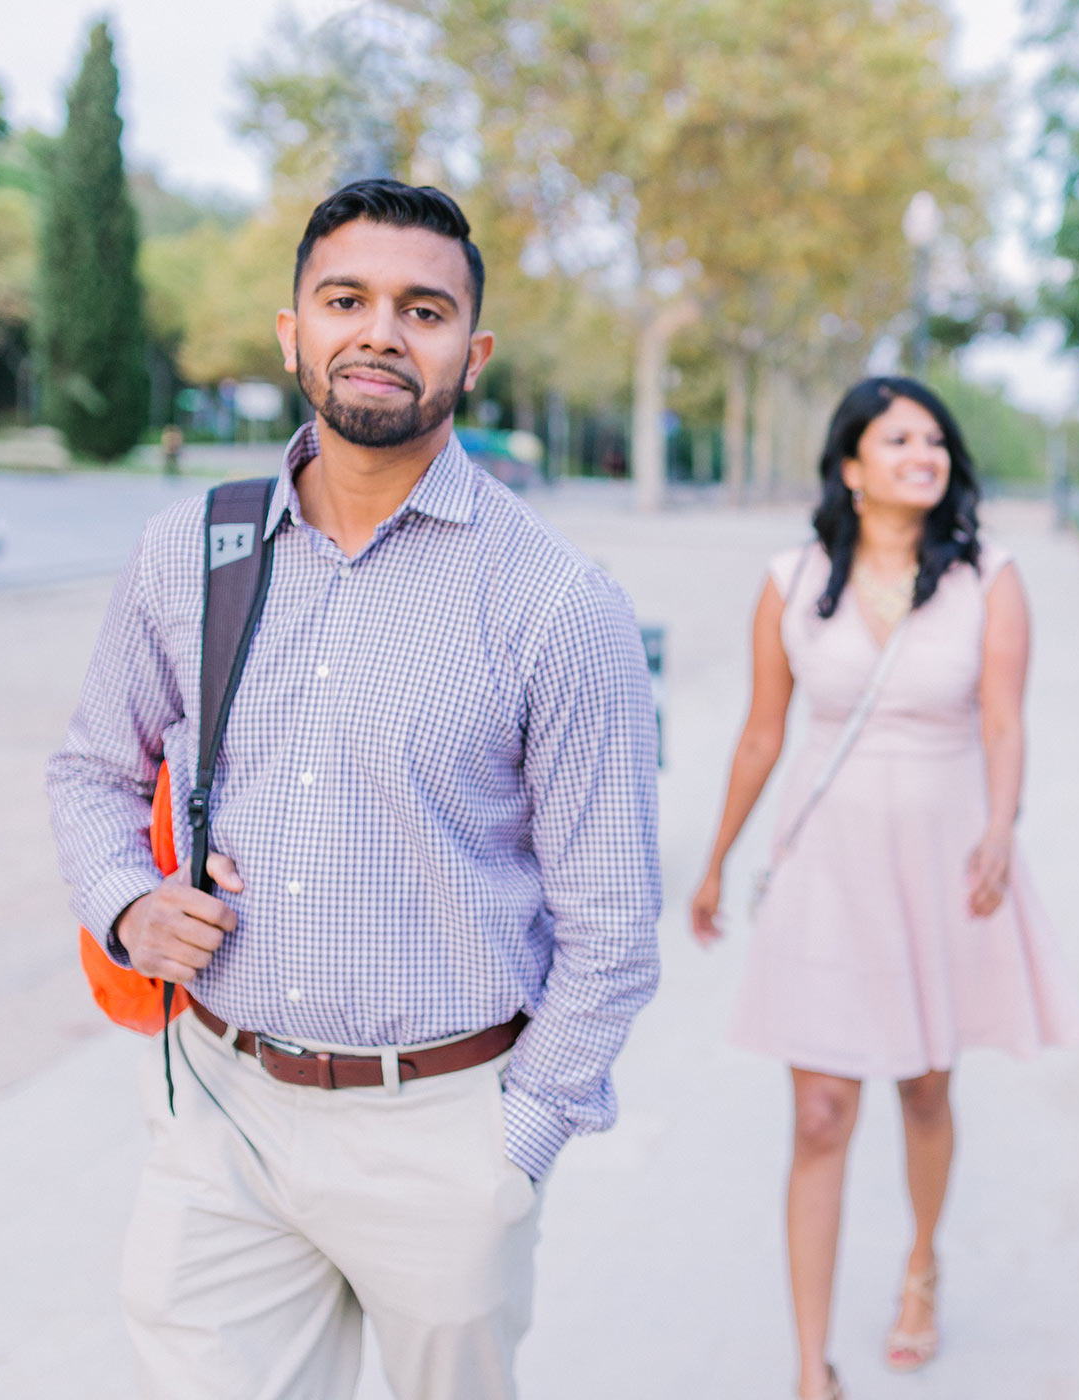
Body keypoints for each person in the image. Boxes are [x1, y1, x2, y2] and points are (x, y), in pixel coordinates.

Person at [46, 179, 661, 1400]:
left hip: (444, 1130)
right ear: (294, 333)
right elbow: (90, 769)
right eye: (347, 298)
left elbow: (613, 930)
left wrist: (510, 1151)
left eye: (422, 308)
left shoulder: (557, 602)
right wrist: (127, 902)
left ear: (470, 355)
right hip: (219, 1105)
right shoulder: (192, 548)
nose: (381, 330)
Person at [690, 376, 1079, 1400]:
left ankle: (921, 1263)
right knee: (820, 1110)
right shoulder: (791, 577)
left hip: (944, 857)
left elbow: (1004, 718)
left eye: (936, 438)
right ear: (853, 467)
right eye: (898, 437)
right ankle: (809, 1365)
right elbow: (763, 731)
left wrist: (1003, 823)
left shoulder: (990, 576)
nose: (926, 451)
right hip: (826, 866)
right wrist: (717, 858)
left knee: (924, 1084)